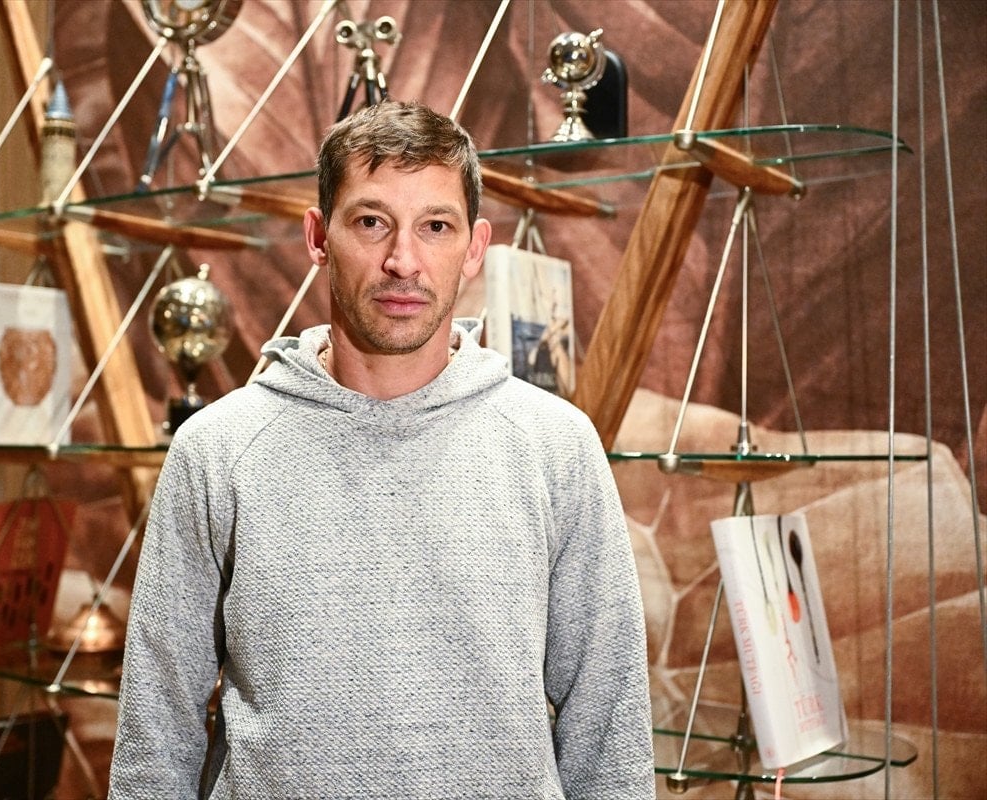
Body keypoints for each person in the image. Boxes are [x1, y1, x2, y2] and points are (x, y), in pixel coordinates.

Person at [110, 100, 654, 799]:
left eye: (435, 227)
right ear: (319, 237)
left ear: (475, 247)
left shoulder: (554, 447)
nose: (403, 261)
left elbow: (609, 729)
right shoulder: (218, 450)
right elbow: (156, 733)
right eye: (371, 222)